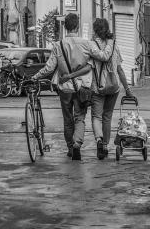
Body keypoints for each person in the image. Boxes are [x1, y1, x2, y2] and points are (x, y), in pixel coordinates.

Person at [32, 13, 115, 161]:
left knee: (67, 119)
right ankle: (77, 143)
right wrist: (109, 43)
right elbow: (103, 57)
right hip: (82, 88)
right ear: (77, 26)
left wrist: (35, 76)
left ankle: (70, 147)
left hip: (65, 88)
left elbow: (49, 68)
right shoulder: (86, 44)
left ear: (65, 27)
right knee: (80, 118)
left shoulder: (59, 45)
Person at [89, 18, 135, 160]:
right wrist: (127, 89)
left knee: (97, 116)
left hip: (98, 87)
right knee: (107, 117)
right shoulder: (114, 45)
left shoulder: (92, 46)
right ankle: (105, 146)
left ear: (95, 30)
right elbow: (120, 69)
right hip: (113, 87)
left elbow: (87, 67)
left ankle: (99, 140)